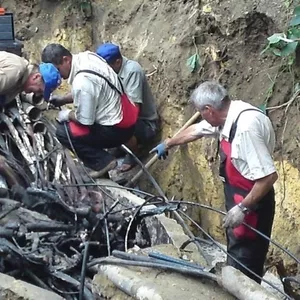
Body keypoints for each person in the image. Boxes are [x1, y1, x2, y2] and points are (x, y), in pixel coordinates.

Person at [151, 81, 277, 283]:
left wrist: (243, 209)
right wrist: (168, 143)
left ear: (209, 110)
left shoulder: (245, 129)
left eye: (201, 113)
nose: (202, 117)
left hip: (252, 203)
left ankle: (244, 290)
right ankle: (234, 278)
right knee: (236, 250)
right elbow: (196, 131)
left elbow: (268, 177)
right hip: (238, 195)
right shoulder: (229, 115)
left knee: (247, 259)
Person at [41, 43, 139, 177]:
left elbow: (85, 120)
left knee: (63, 132)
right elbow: (93, 91)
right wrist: (63, 100)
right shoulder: (87, 57)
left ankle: (103, 162)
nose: (58, 75)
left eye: (57, 69)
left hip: (118, 129)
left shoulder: (81, 82)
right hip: (127, 114)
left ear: (66, 60)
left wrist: (67, 114)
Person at [96, 43, 159, 172]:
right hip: (125, 114)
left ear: (118, 62)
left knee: (116, 122)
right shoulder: (110, 72)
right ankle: (121, 145)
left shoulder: (132, 71)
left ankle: (134, 153)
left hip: (144, 124)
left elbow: (133, 111)